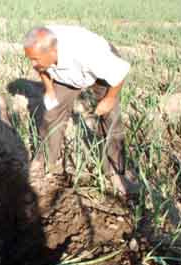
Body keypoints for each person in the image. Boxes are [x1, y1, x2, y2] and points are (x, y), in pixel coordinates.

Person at [23, 25, 137, 195]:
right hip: (68, 76)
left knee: (110, 118)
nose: (32, 63)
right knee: (52, 113)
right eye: (30, 58)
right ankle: (46, 161)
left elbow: (119, 72)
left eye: (36, 59)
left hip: (99, 71)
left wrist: (109, 99)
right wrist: (49, 89)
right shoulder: (41, 51)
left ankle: (115, 172)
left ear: (52, 51)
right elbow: (41, 69)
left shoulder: (90, 54)